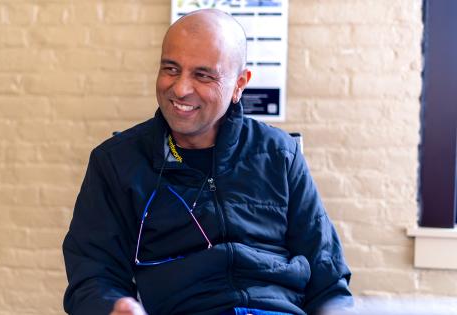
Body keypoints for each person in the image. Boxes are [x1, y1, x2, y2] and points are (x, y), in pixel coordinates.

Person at [63, 9, 352, 315]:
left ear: (240, 84)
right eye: (170, 69)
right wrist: (113, 308)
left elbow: (328, 277)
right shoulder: (116, 162)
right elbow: (92, 277)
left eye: (203, 75)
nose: (180, 88)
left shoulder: (280, 154)